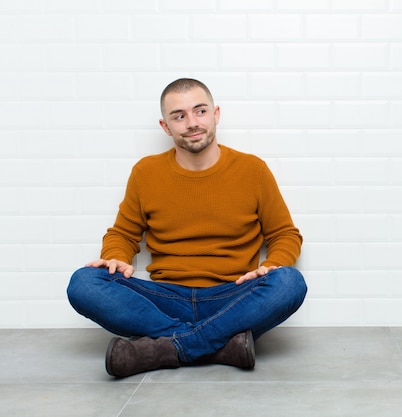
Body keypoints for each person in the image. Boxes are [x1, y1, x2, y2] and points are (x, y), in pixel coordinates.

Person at [67, 78, 307, 378]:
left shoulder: (252, 170)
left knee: (289, 282)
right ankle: (217, 344)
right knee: (84, 283)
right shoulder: (146, 172)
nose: (192, 123)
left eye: (200, 111)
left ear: (216, 114)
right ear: (165, 126)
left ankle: (168, 347)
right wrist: (116, 256)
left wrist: (271, 265)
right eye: (179, 116)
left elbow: (284, 234)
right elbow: (123, 234)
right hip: (165, 299)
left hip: (232, 296)